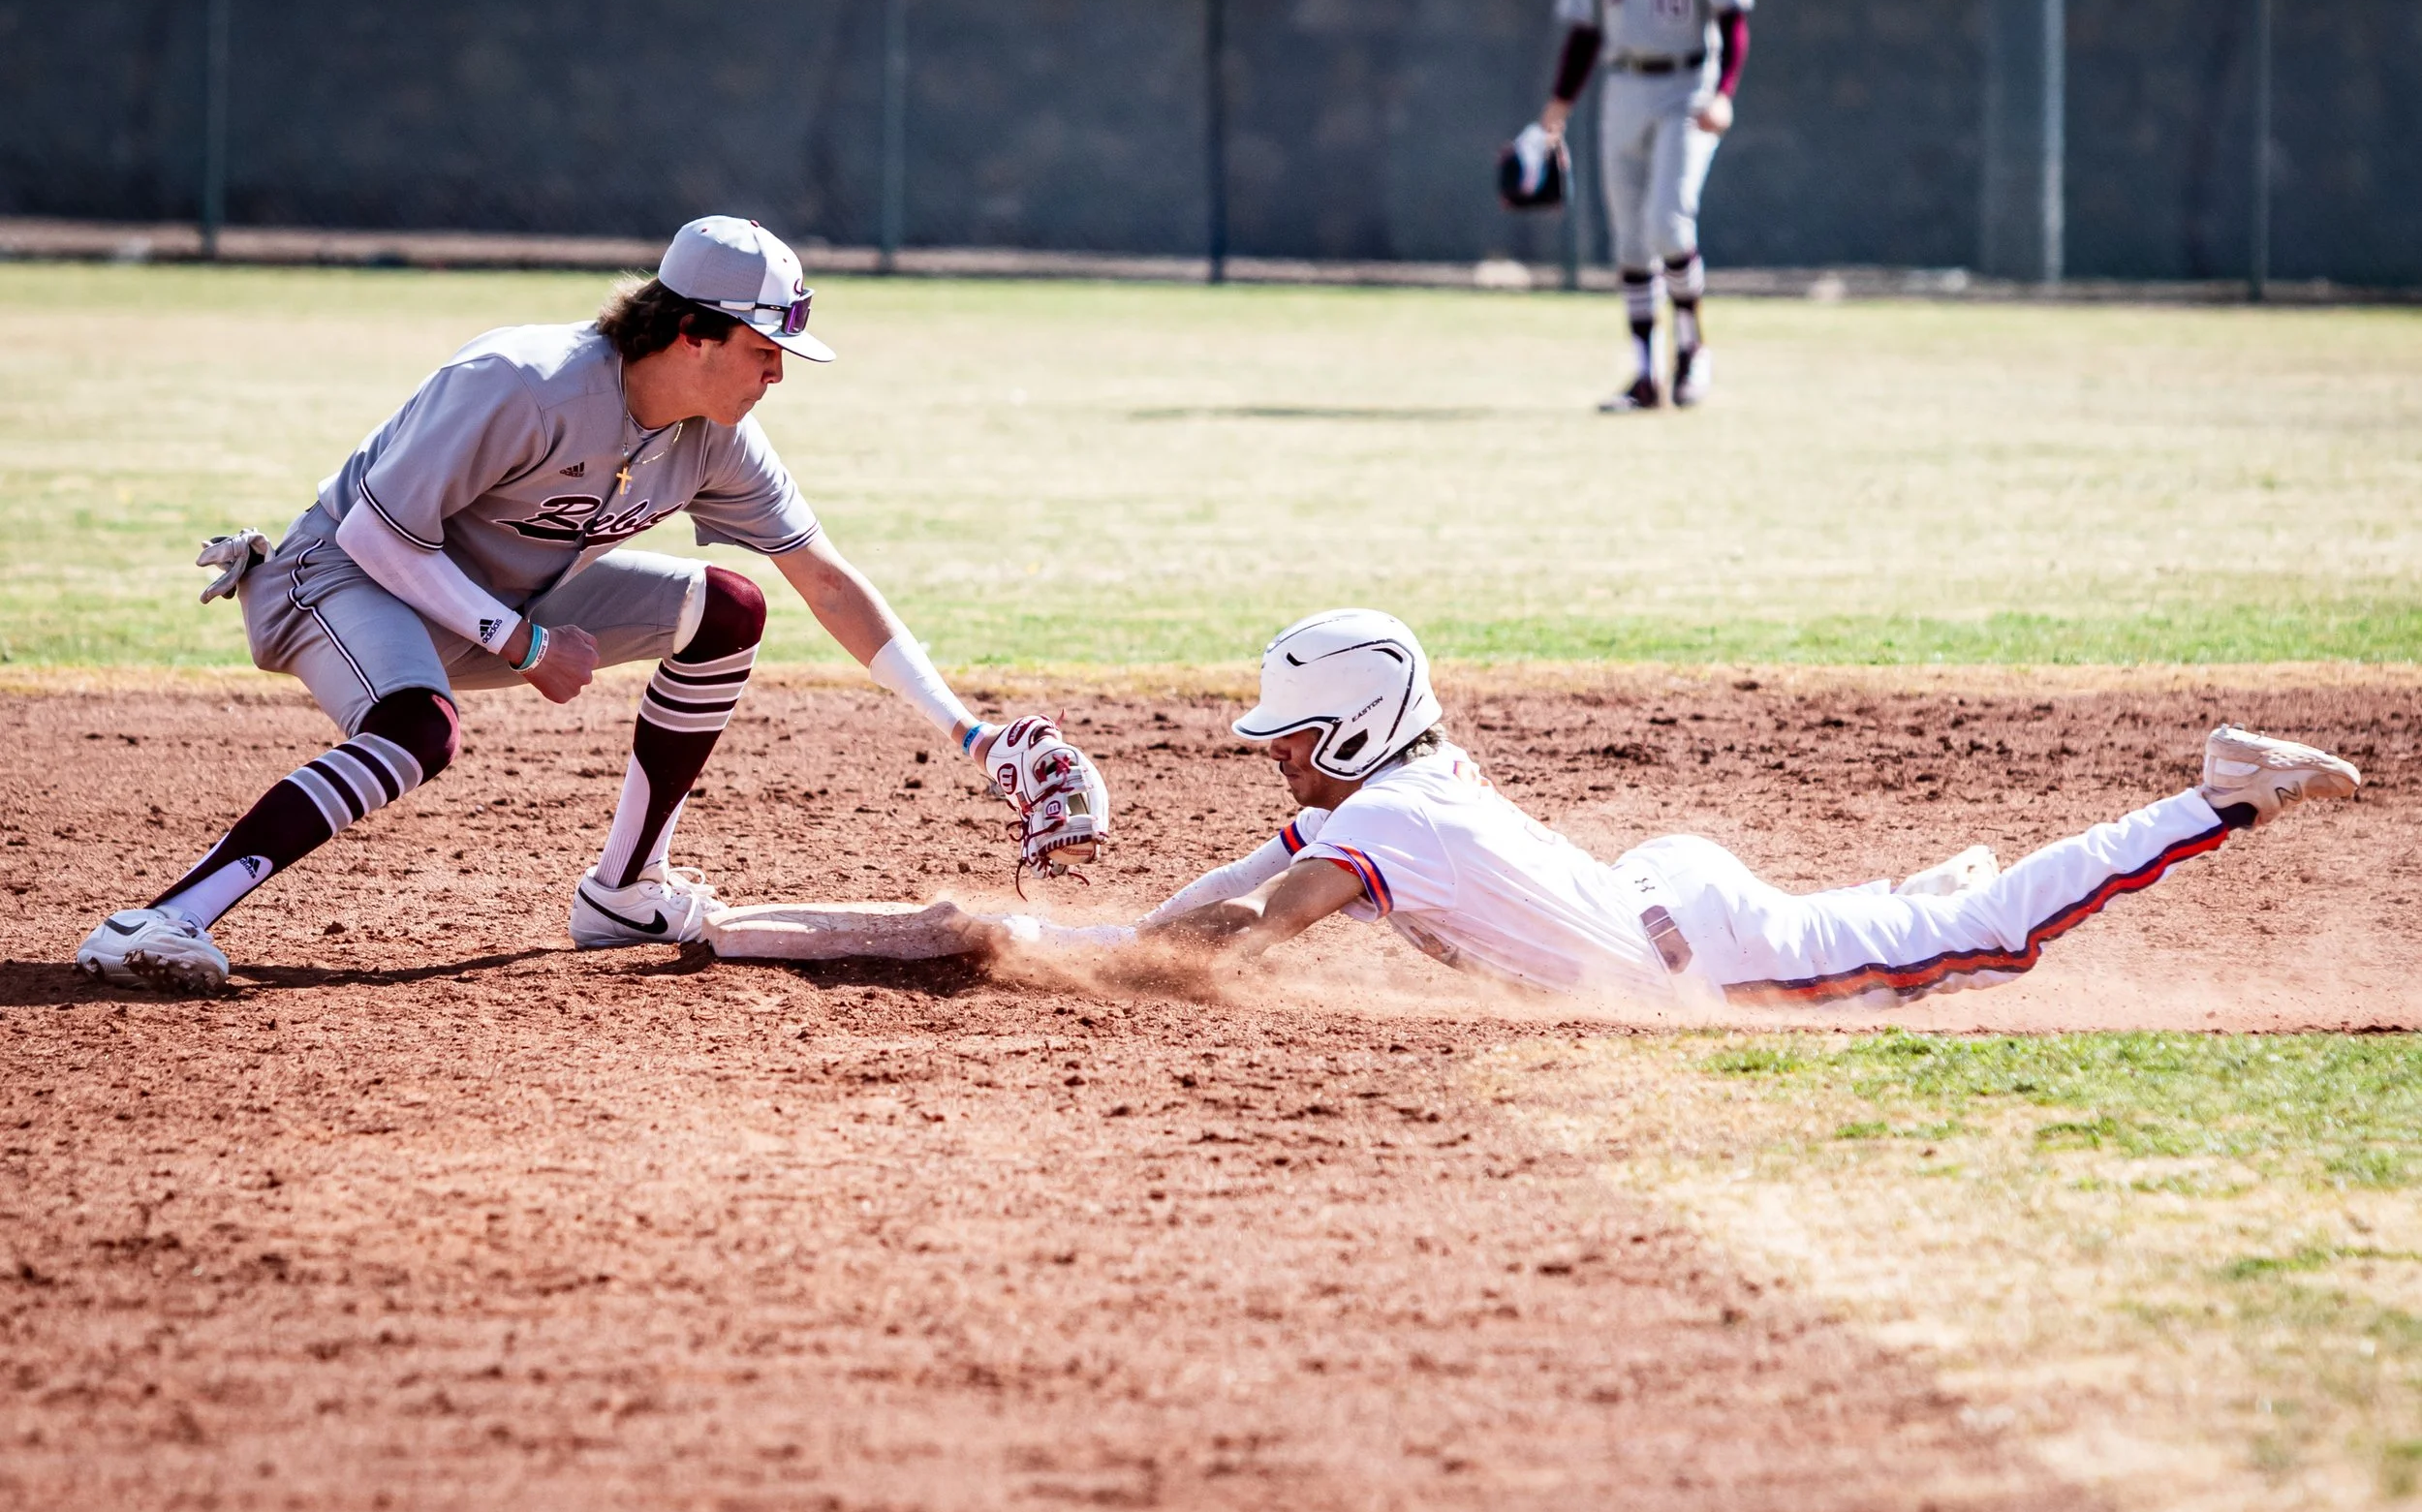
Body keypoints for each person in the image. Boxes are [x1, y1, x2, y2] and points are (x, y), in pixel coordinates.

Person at [77, 216, 1103, 996]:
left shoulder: (714, 437)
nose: (778, 373)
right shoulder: (521, 379)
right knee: (416, 727)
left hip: (499, 595)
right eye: (763, 348)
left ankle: (623, 892)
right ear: (695, 332)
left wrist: (972, 734)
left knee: (727, 607)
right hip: (337, 578)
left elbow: (825, 580)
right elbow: (377, 535)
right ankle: (157, 921)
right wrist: (519, 640)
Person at [1132, 610, 2362, 1009]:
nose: (1274, 756)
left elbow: (1248, 929)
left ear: (1349, 726)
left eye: (1287, 734)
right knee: (1874, 929)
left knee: (1993, 940)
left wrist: (1043, 963)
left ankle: (2218, 796)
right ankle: (1897, 907)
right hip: (1665, 890)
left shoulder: (1382, 826)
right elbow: (1248, 875)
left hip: (1702, 961)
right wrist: (1081, 937)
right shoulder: (1411, 782)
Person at [1525, 0, 1754, 412]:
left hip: (1689, 84)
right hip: (1623, 86)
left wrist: (1724, 93)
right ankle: (1646, 377)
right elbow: (1586, 31)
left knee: (1667, 224)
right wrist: (1556, 111)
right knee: (1630, 240)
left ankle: (1691, 348)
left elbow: (1732, 16)